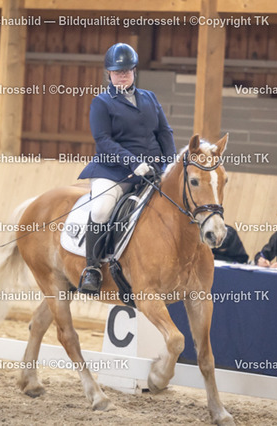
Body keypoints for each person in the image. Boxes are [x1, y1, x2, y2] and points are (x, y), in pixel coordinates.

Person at [77, 43, 176, 294]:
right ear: (109, 74)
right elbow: (103, 140)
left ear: (134, 71)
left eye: (126, 71)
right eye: (117, 72)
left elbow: (164, 132)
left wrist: (170, 164)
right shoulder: (101, 103)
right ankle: (92, 269)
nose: (122, 75)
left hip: (153, 170)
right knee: (101, 209)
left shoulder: (149, 98)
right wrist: (133, 162)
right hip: (115, 171)